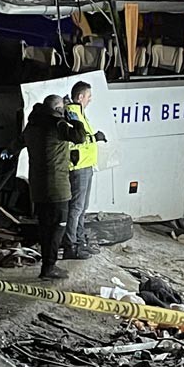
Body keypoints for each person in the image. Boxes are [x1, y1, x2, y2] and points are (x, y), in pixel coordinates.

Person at [22, 94, 86, 281]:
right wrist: (75, 120)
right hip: (57, 187)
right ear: (58, 109)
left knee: (45, 228)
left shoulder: (32, 126)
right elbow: (79, 137)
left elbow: (18, 143)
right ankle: (49, 267)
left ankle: (47, 264)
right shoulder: (56, 125)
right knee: (57, 227)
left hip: (37, 187)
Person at [63, 81, 107, 260]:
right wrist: (94, 137)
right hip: (78, 167)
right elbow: (77, 139)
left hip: (86, 165)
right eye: (88, 96)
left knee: (82, 208)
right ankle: (70, 246)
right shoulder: (72, 112)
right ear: (80, 97)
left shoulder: (80, 113)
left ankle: (80, 243)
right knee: (76, 208)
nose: (91, 99)